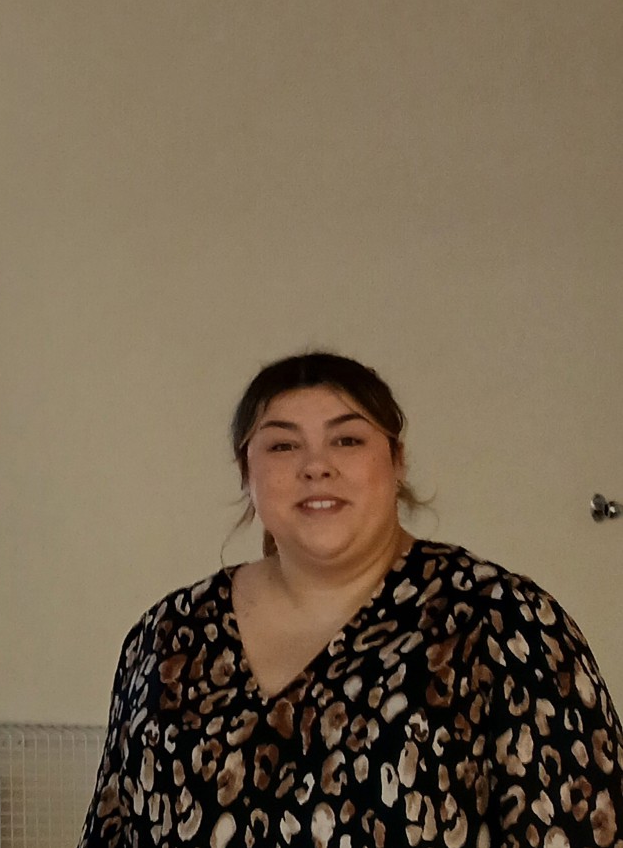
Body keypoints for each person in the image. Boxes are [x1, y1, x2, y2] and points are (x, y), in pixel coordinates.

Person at [79, 352, 621, 847]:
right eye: (283, 445)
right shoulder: (168, 635)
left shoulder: (505, 626)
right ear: (247, 473)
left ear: (397, 460)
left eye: (347, 440)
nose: (316, 466)